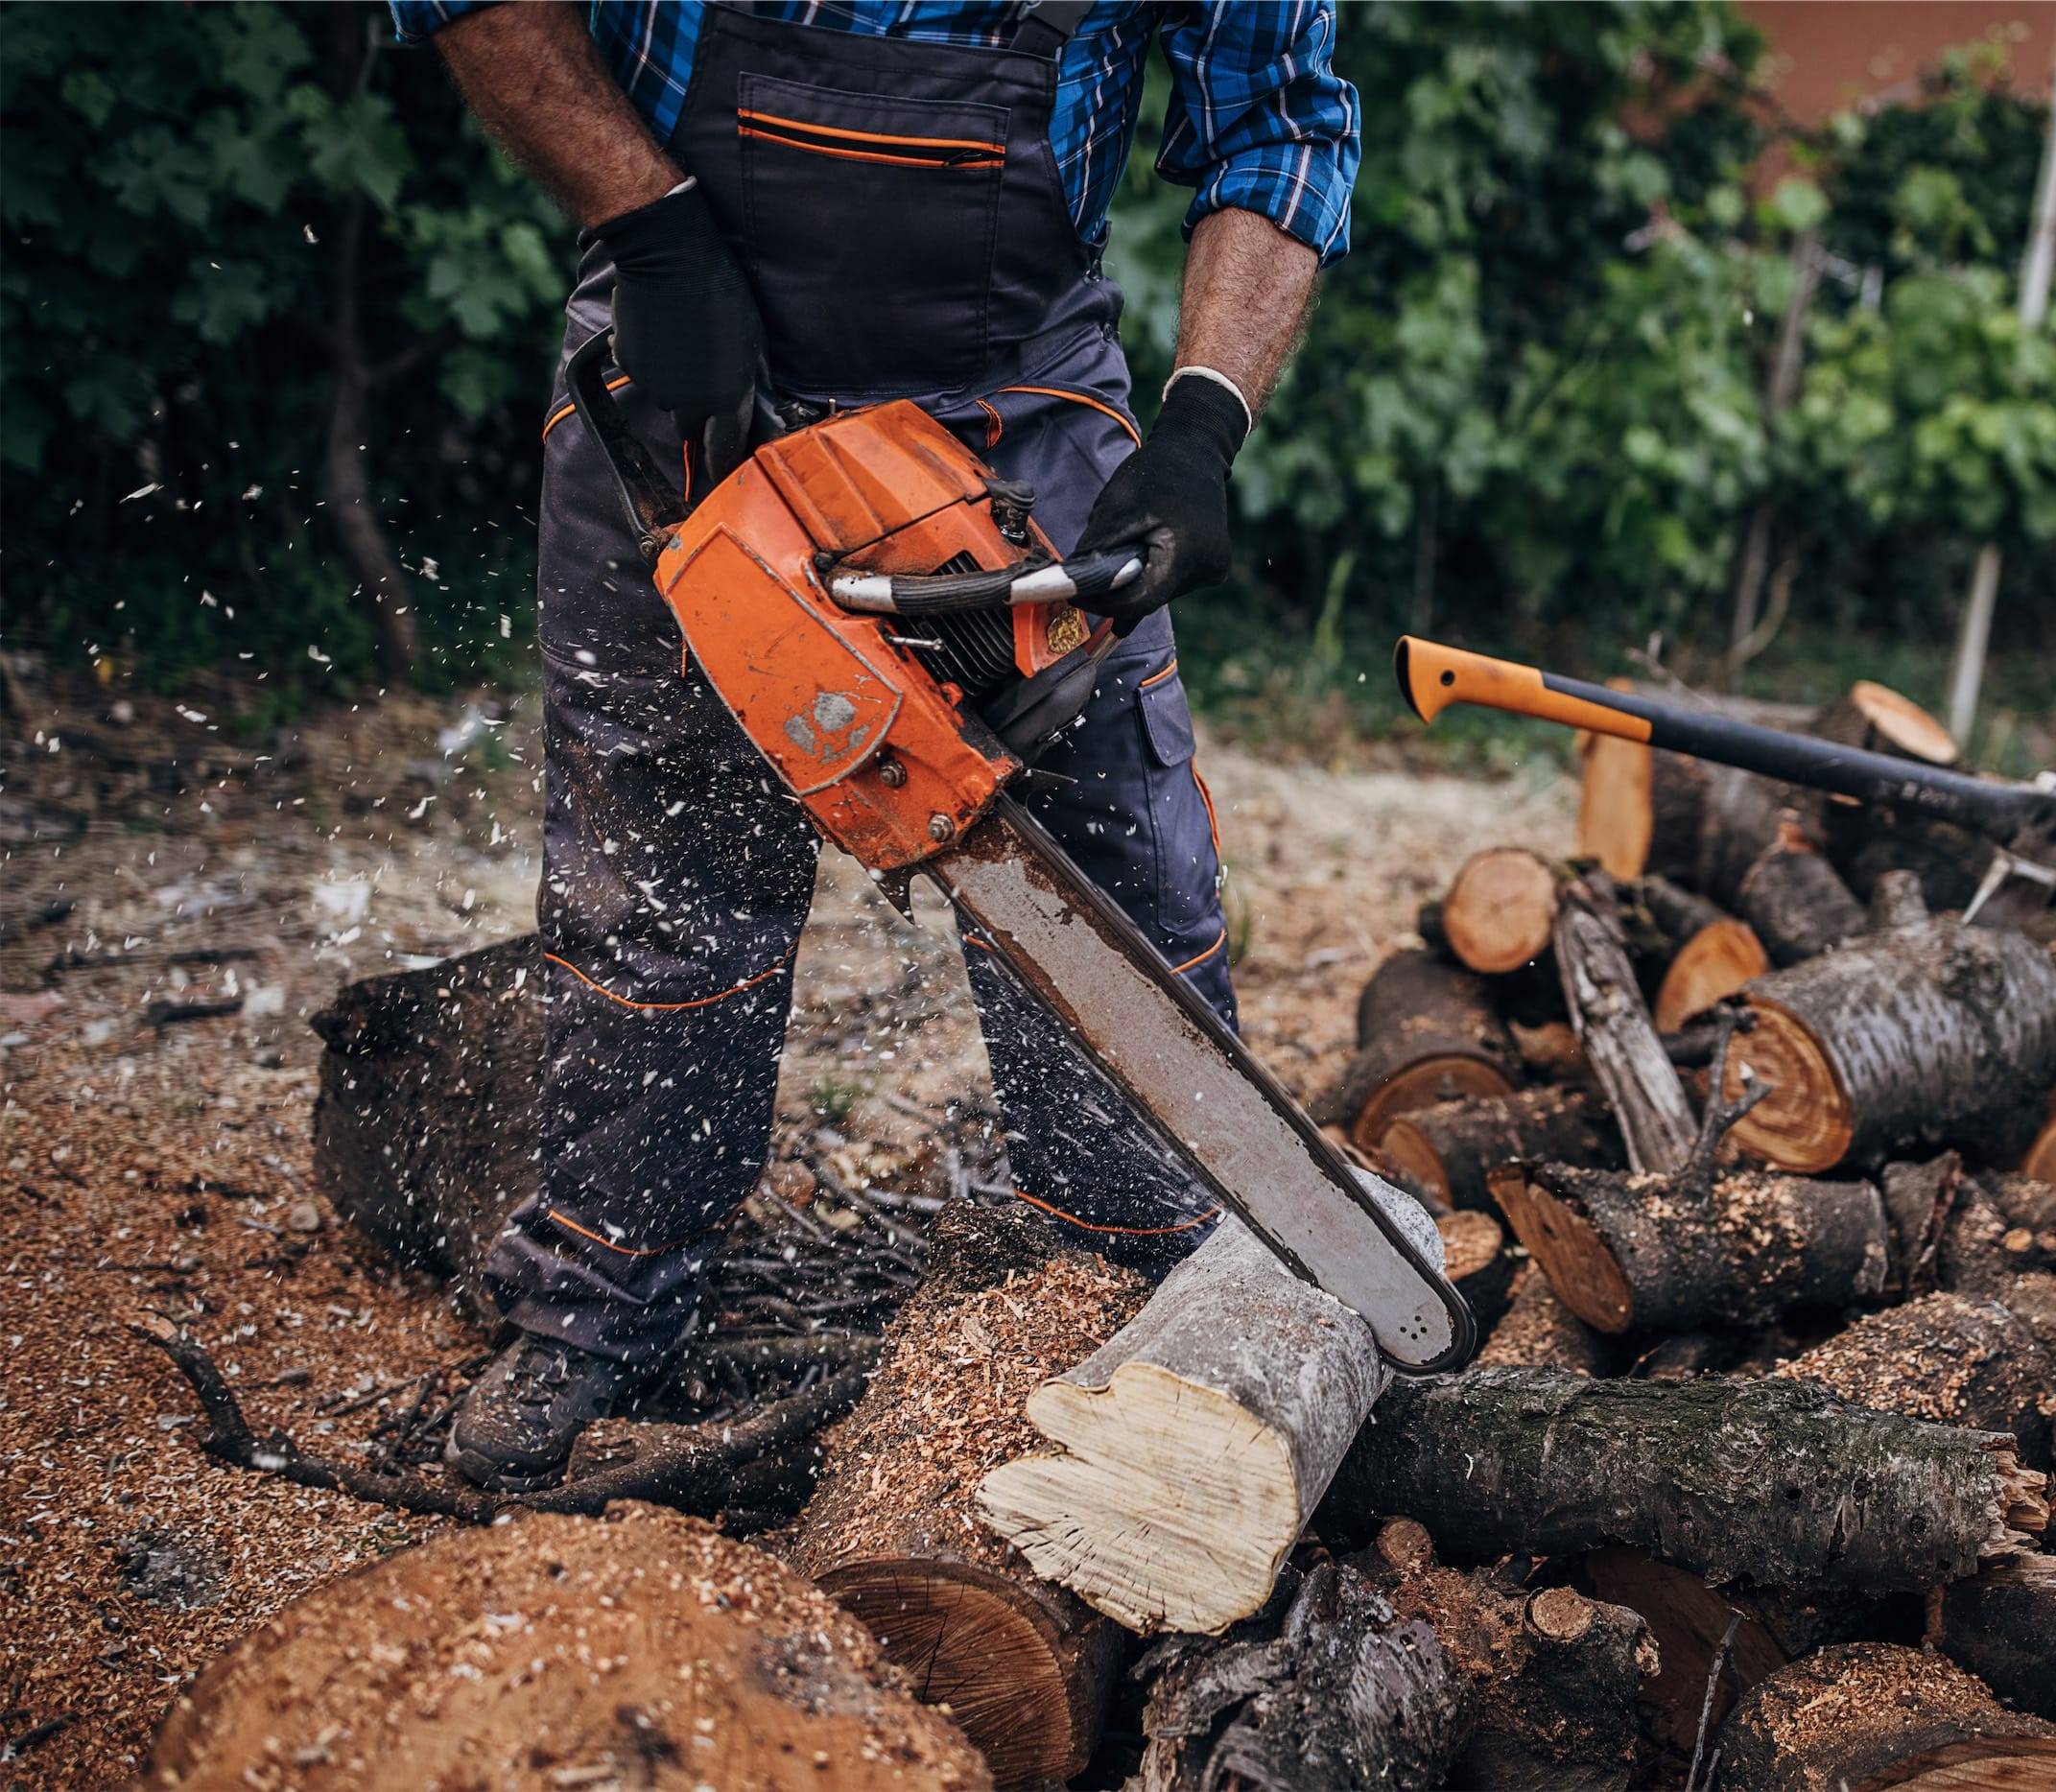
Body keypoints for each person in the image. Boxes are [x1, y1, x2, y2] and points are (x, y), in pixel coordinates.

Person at [387, 0, 1356, 1489]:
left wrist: (1203, 425)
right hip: (691, 344)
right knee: (661, 860)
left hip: (1011, 380)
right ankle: (600, 1294)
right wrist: (644, 224)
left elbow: (1278, 122)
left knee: (1115, 866)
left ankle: (1160, 1281)